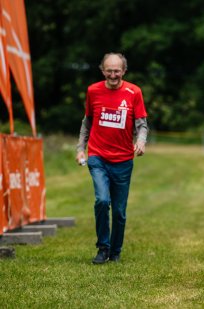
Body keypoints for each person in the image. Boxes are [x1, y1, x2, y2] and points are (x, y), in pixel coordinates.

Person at [76, 52, 148, 264]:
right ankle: (102, 248)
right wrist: (81, 148)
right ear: (102, 70)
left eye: (117, 71)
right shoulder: (93, 91)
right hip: (97, 156)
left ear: (124, 71)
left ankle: (115, 251)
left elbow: (142, 124)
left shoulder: (134, 92)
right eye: (109, 70)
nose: (113, 74)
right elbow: (86, 122)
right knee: (102, 200)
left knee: (118, 211)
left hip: (123, 160)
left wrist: (141, 141)